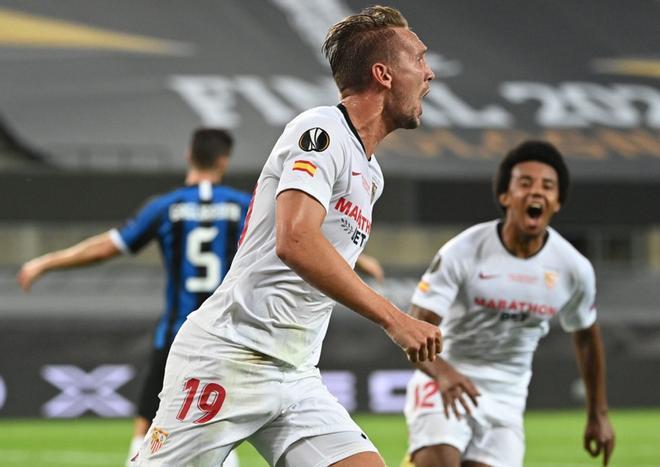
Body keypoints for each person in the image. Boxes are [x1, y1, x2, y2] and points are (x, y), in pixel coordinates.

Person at [131, 5, 440, 467]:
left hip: (295, 375)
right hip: (230, 357)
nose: (429, 73)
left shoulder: (370, 174)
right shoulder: (321, 131)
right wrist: (394, 318)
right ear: (384, 74)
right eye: (417, 58)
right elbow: (294, 240)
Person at [17, 128, 251, 467]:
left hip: (176, 336)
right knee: (219, 424)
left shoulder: (166, 207)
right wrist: (357, 261)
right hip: (226, 336)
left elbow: (106, 248)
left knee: (148, 424)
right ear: (223, 161)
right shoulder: (243, 206)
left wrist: (46, 261)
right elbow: (300, 238)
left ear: (189, 155)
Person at [402, 141, 615, 467]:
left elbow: (586, 336)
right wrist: (443, 372)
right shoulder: (464, 251)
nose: (537, 192)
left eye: (548, 186)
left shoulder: (573, 268)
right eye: (525, 183)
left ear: (557, 202)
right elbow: (415, 326)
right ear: (505, 196)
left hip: (507, 397)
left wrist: (598, 414)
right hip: (446, 379)